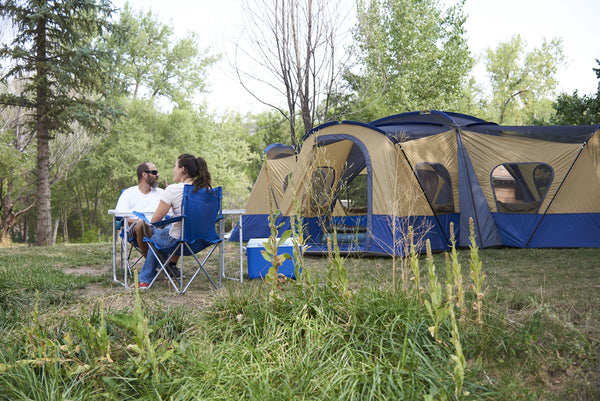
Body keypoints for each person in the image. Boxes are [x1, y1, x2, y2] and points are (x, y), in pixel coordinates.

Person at [133, 154, 212, 289]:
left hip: (177, 242)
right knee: (166, 231)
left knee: (156, 237)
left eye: (175, 166)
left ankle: (145, 280)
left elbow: (156, 220)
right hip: (202, 240)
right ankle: (165, 268)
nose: (173, 170)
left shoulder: (172, 189)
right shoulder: (208, 190)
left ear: (182, 169)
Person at [115, 162, 165, 258]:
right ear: (144, 174)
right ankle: (151, 265)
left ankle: (170, 264)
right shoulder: (128, 193)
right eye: (154, 172)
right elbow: (119, 217)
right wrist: (138, 221)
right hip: (137, 230)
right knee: (141, 225)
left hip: (160, 228)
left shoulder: (162, 193)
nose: (157, 175)